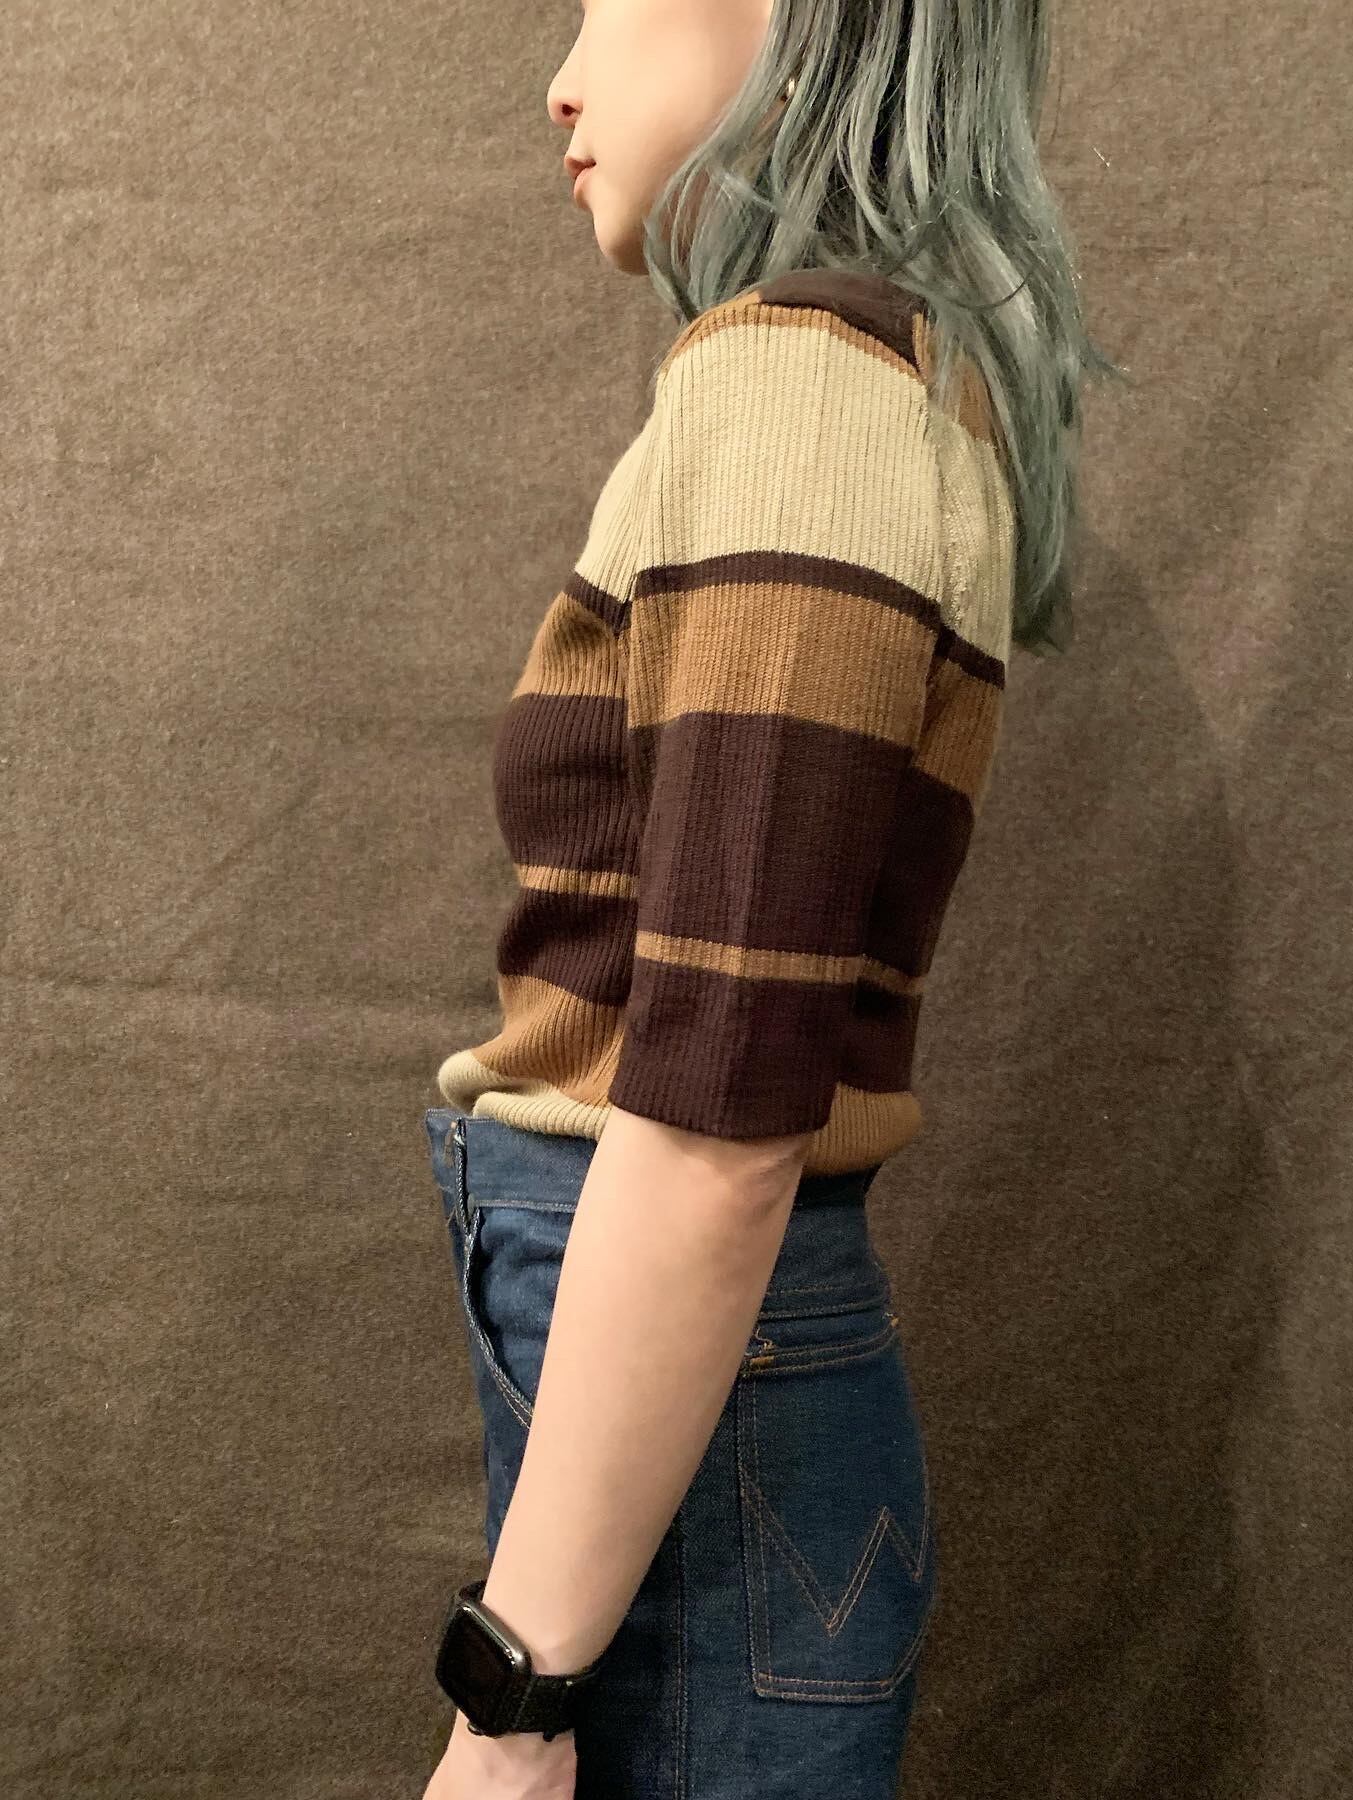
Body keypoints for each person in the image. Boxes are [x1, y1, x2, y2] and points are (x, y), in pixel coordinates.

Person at [421, 3, 1125, 1795]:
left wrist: (509, 1711)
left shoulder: (802, 395)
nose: (562, 78)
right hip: (693, 1416)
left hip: (702, 1412)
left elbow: (718, 1130)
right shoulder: (852, 383)